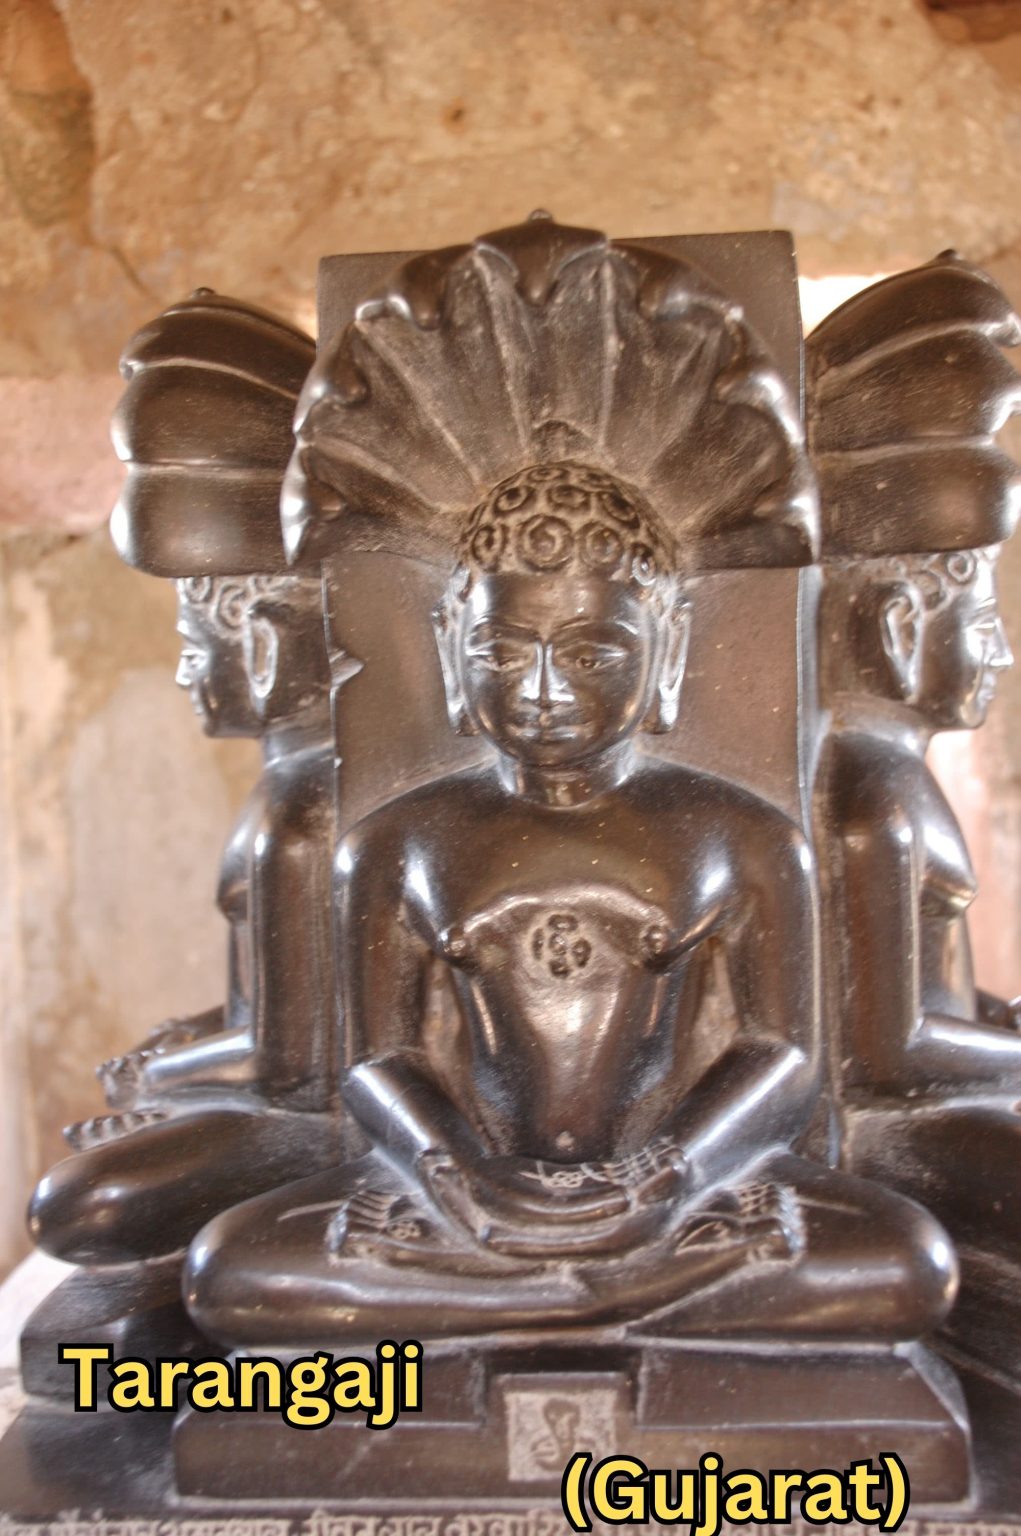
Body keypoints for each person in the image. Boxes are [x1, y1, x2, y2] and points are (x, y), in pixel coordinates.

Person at [185, 462, 955, 1348]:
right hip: (461, 1188)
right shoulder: (396, 842)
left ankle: (506, 1307)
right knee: (227, 1271)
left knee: (907, 1262)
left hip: (681, 1186)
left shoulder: (742, 836)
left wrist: (666, 1171)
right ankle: (607, 1301)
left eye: (590, 655)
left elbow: (781, 1056)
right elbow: (378, 1060)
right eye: (501, 654)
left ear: (665, 647)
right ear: (450, 647)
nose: (542, 692)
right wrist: (454, 1173)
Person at [30, 570, 347, 1266]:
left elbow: (294, 1068)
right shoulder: (287, 792)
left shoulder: (301, 817)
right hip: (276, 1086)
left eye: (196, 651)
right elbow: (286, 1005)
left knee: (81, 1205)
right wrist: (195, 1034)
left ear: (265, 647)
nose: (183, 675)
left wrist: (157, 1077)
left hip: (320, 1119)